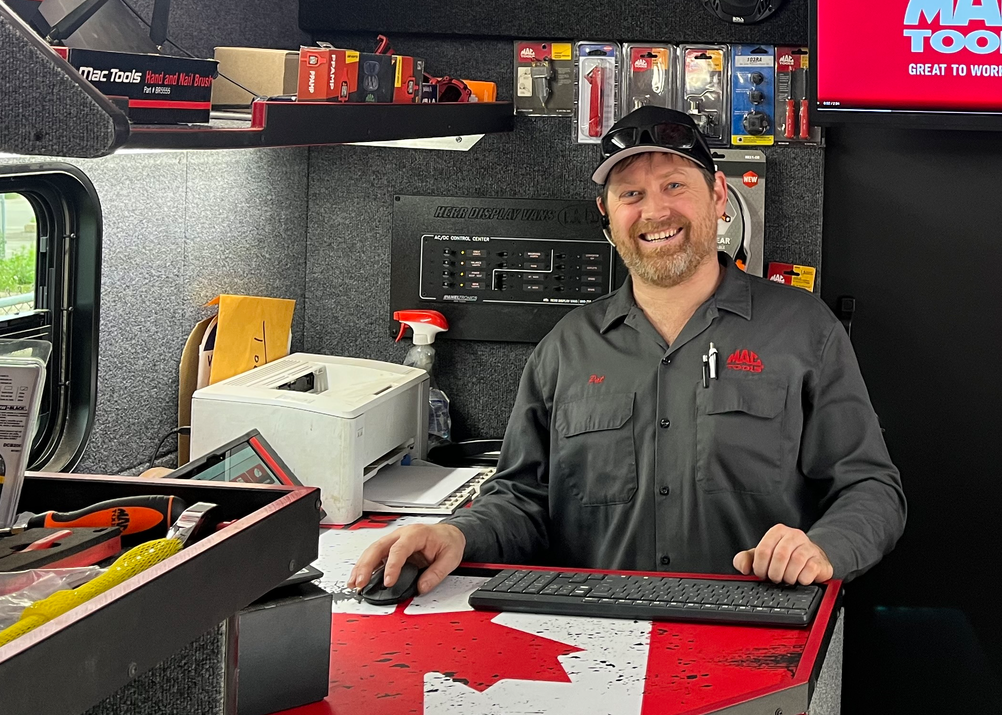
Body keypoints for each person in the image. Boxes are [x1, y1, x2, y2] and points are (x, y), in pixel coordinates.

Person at [350, 104, 906, 596]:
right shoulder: (565, 349)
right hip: (591, 646)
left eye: (674, 185)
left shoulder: (805, 331)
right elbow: (522, 499)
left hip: (755, 639)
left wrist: (822, 548)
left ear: (718, 197)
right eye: (631, 194)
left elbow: (869, 488)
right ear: (608, 216)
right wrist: (454, 533)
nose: (655, 211)